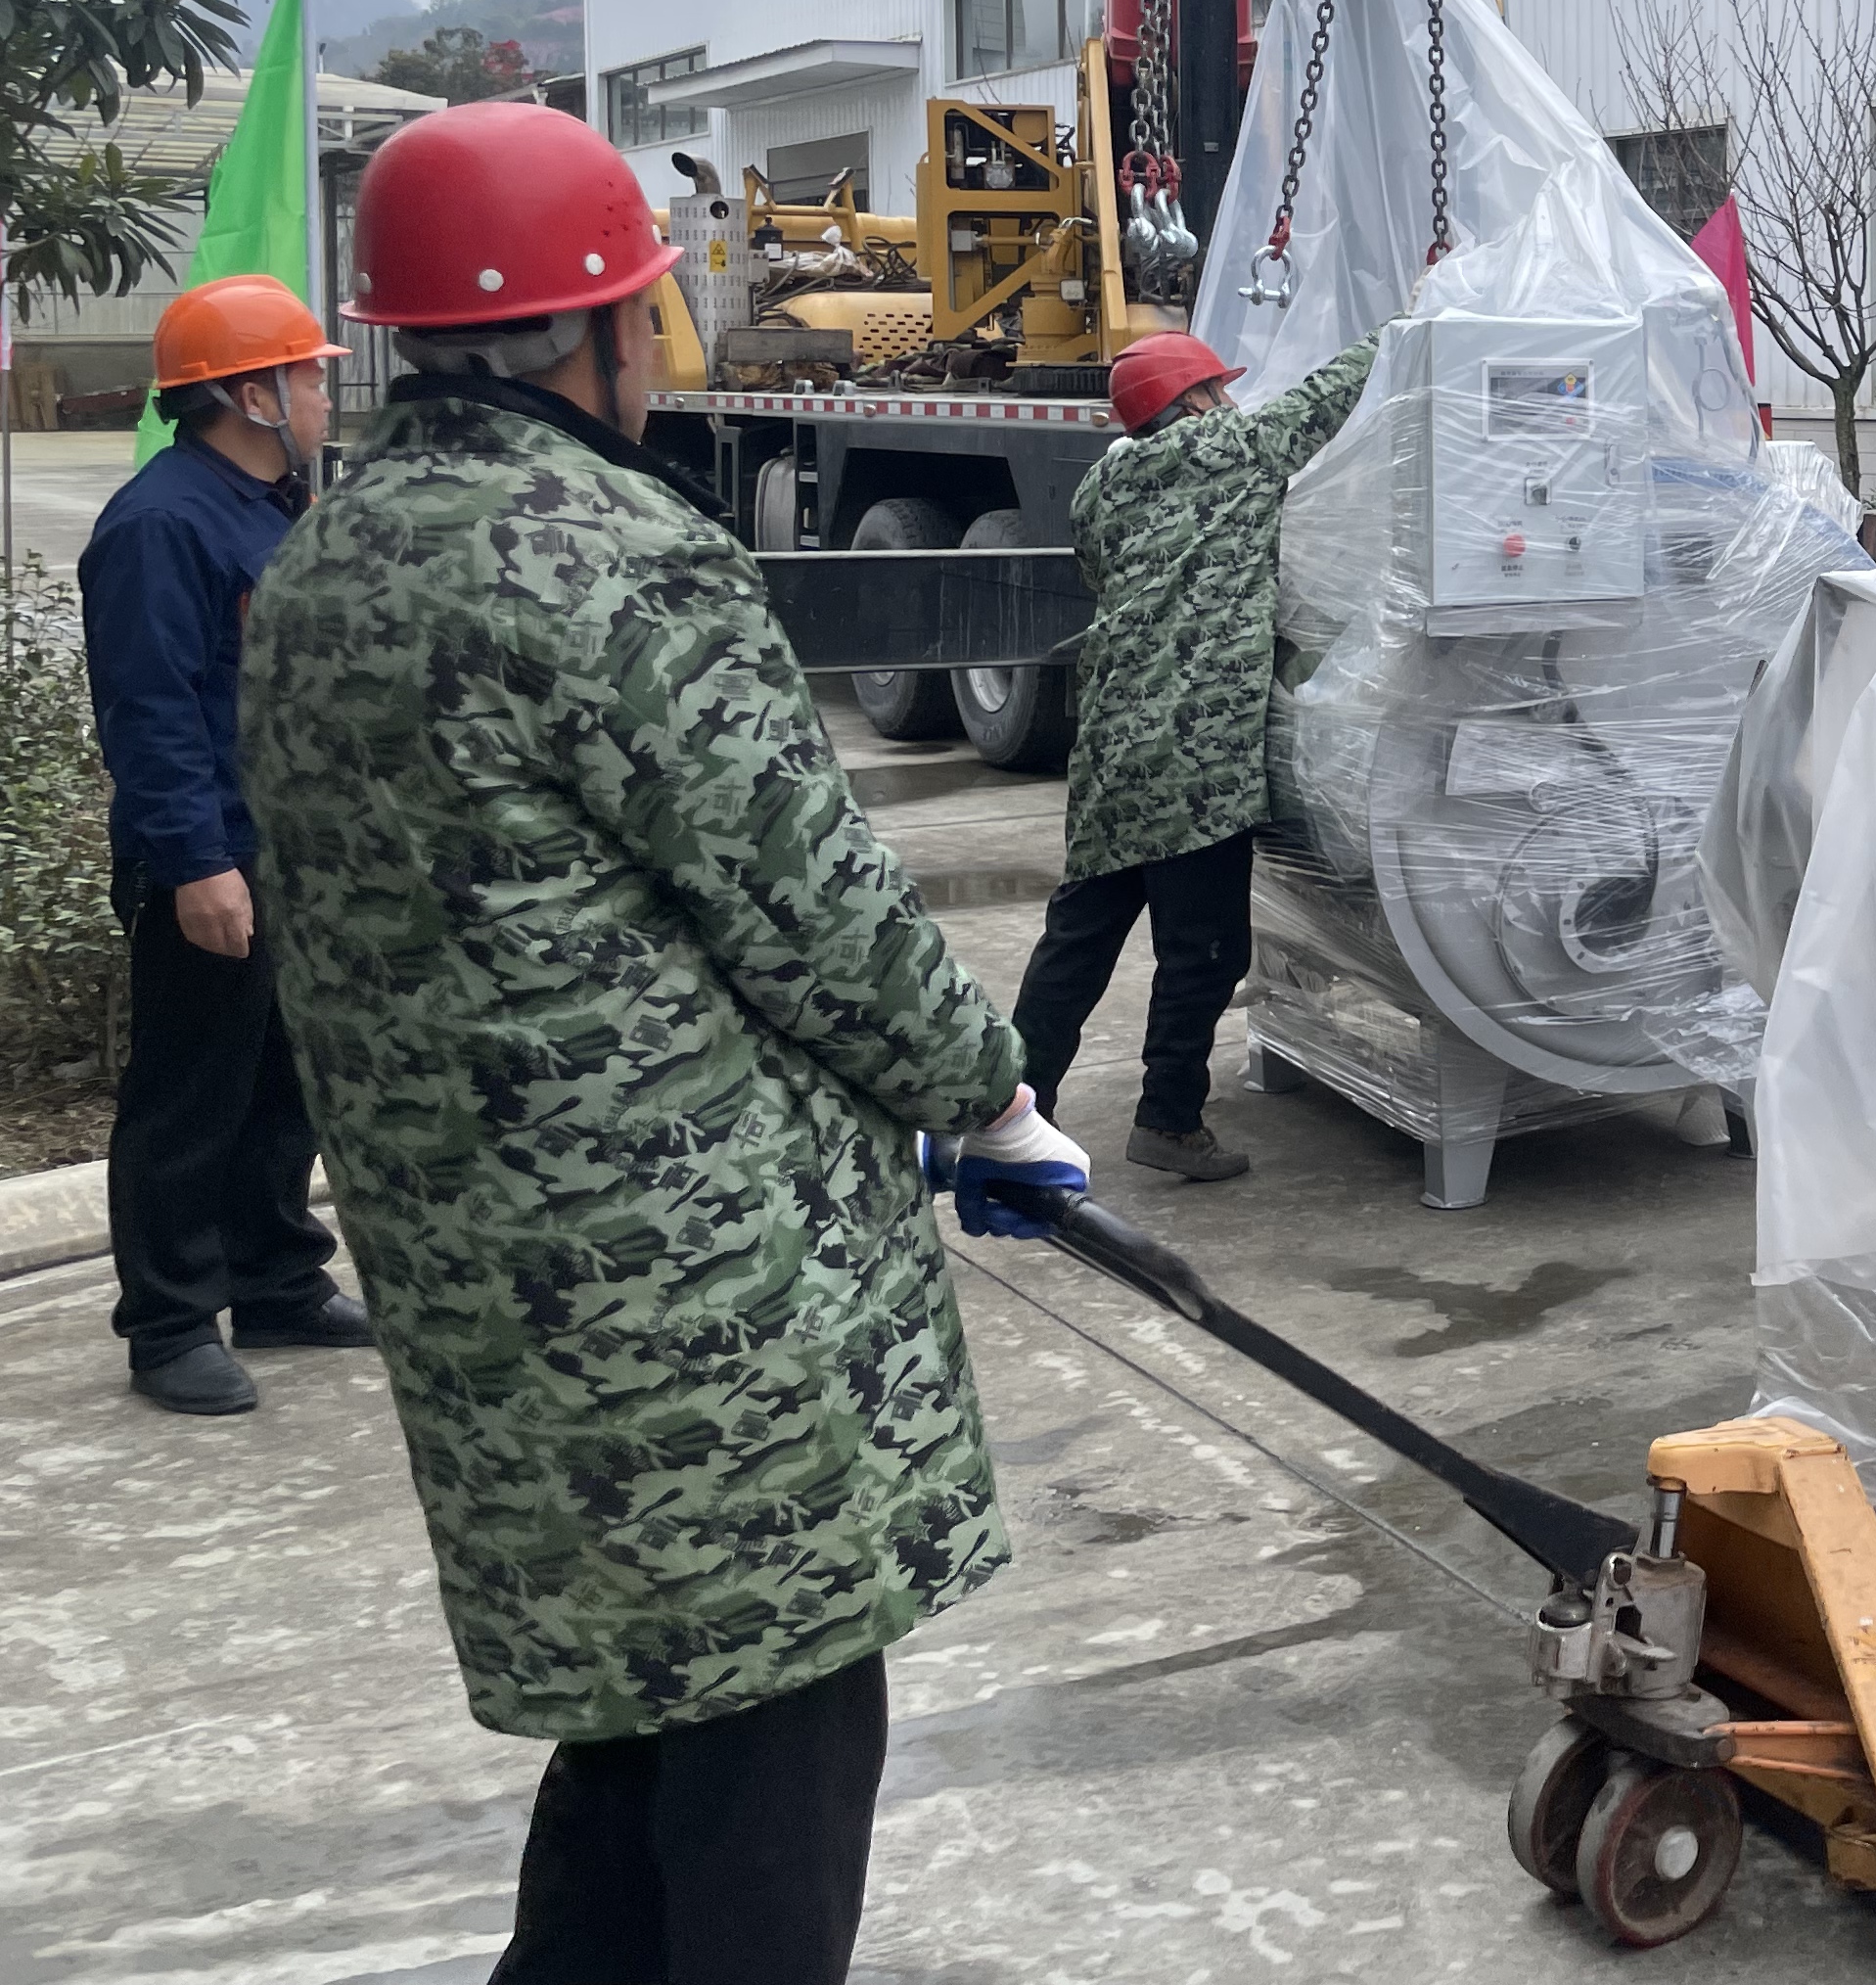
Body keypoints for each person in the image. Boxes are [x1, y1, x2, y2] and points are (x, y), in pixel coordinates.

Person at [240, 102, 1091, 1980]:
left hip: (484, 1289)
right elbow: (818, 906)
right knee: (772, 1747)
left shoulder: (323, 565)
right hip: (692, 1315)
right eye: (644, 304)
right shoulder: (612, 556)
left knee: (631, 1735)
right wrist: (986, 1095)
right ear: (596, 330)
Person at [77, 275, 361, 1414]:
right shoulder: (162, 523)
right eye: (308, 378)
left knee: (284, 1085)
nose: (324, 397)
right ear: (252, 396)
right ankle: (169, 1324)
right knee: (190, 1096)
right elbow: (148, 710)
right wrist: (198, 865)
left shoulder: (273, 504)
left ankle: (275, 1278)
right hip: (211, 859)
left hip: (291, 855)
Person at [1007, 326, 1379, 1179]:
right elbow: (1327, 397)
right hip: (1197, 761)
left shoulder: (1100, 485)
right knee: (1204, 950)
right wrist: (1402, 322)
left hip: (1112, 745)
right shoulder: (1235, 449)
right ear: (1196, 399)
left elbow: (1104, 573)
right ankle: (1169, 1121)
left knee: (1078, 940)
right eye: (1221, 388)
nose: (1234, 400)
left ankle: (1016, 1110)